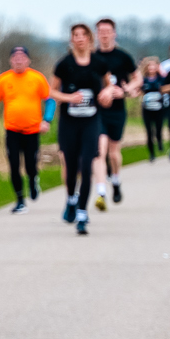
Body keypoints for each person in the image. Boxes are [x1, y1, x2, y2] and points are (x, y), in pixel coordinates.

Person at [51, 23, 107, 230]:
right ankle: (71, 199)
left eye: (84, 35)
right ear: (71, 39)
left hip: (91, 122)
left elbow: (109, 86)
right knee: (71, 166)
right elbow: (51, 92)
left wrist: (107, 93)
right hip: (69, 123)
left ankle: (82, 214)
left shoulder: (99, 63)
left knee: (86, 166)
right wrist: (69, 98)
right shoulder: (64, 64)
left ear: (90, 39)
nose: (80, 38)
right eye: (76, 35)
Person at [0, 44, 53, 211]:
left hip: (32, 130)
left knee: (31, 164)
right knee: (14, 165)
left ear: (28, 60)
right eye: (15, 58)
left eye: (22, 57)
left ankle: (33, 180)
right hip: (12, 130)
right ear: (10, 60)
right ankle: (19, 200)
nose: (18, 61)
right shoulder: (3, 79)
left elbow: (50, 100)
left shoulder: (37, 78)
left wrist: (47, 120)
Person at [92, 18, 136, 209]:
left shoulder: (122, 57)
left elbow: (137, 79)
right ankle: (101, 192)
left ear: (114, 33)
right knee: (99, 151)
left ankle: (116, 181)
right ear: (96, 34)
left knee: (113, 153)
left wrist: (125, 91)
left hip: (117, 110)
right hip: (97, 111)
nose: (104, 35)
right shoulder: (92, 57)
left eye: (107, 31)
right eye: (101, 31)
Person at [137, 54, 166, 157]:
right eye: (149, 66)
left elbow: (167, 85)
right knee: (149, 131)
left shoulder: (161, 79)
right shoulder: (144, 80)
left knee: (158, 129)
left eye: (154, 66)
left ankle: (160, 142)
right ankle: (151, 153)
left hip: (159, 108)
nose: (151, 68)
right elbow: (139, 91)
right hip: (147, 109)